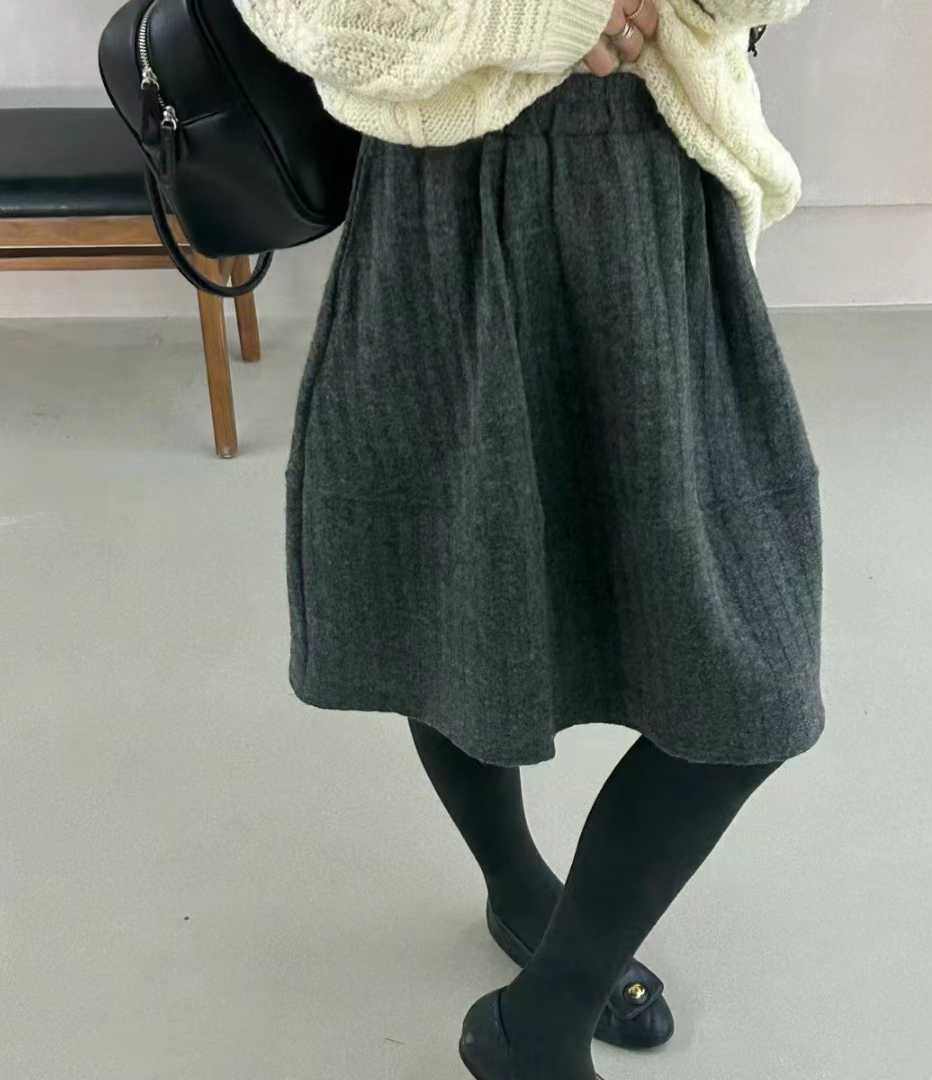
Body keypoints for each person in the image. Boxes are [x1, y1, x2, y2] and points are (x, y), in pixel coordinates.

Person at [234, 0, 823, 1076]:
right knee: (451, 597)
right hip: (443, 199)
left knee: (755, 687)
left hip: (658, 189)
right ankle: (523, 906)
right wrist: (545, 14)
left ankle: (539, 1007)